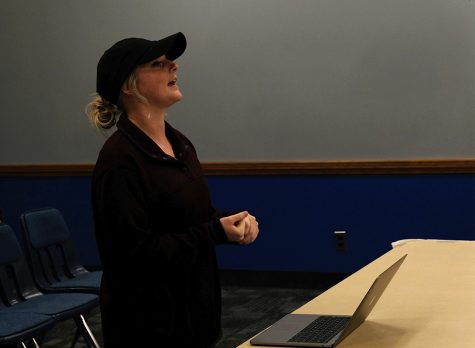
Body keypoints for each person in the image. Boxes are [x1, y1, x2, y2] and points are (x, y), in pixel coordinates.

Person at [86, 32, 259, 347]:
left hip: (195, 314)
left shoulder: (179, 144)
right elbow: (132, 255)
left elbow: (192, 219)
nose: (173, 67)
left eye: (171, 62)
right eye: (158, 63)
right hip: (150, 327)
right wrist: (215, 233)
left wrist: (233, 223)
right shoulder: (119, 161)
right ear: (128, 85)